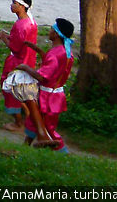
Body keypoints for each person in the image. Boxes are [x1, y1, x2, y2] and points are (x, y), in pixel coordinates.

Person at [16, 18, 75, 153]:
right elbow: (54, 68)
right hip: (56, 93)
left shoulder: (55, 54)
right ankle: (25, 147)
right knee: (34, 121)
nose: (49, 32)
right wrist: (37, 49)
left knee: (48, 127)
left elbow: (43, 76)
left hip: (48, 96)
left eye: (51, 30)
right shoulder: (65, 51)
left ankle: (63, 152)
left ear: (56, 34)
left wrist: (25, 67)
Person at [0, 0, 38, 131]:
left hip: (18, 62)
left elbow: (15, 48)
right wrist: (9, 36)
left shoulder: (21, 25)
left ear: (22, 6)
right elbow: (21, 41)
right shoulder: (29, 22)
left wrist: (4, 38)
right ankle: (28, 114)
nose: (11, 5)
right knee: (22, 90)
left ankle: (18, 122)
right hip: (28, 61)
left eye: (14, 3)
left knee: (10, 89)